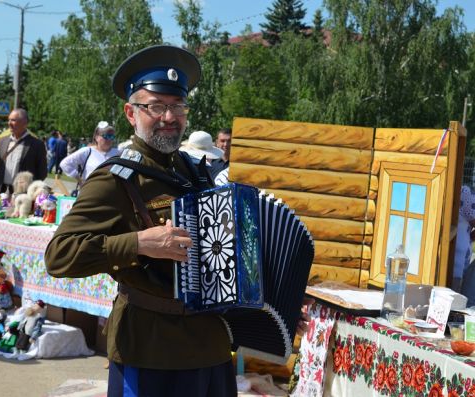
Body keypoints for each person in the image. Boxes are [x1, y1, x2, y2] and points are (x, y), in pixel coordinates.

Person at [45, 45, 309, 397]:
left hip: (212, 347)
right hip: (151, 350)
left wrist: (278, 298)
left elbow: (228, 254)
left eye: (178, 107)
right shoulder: (115, 179)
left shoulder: (196, 171)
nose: (169, 117)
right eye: (156, 106)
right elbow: (59, 255)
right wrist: (140, 243)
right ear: (130, 113)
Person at [0, 108, 47, 194]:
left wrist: (30, 188)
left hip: (22, 194)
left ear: (24, 123)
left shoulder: (37, 144)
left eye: (13, 120)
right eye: (8, 120)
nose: (9, 123)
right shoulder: (2, 141)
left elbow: (42, 172)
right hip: (0, 191)